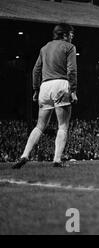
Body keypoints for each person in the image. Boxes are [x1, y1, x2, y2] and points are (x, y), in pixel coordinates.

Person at [12, 23, 78, 169]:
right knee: (63, 126)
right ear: (65, 34)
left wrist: (35, 90)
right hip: (61, 84)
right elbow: (72, 70)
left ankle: (24, 155)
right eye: (71, 34)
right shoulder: (69, 47)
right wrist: (72, 90)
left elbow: (36, 70)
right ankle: (57, 160)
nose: (72, 37)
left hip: (45, 86)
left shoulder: (44, 48)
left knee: (40, 126)